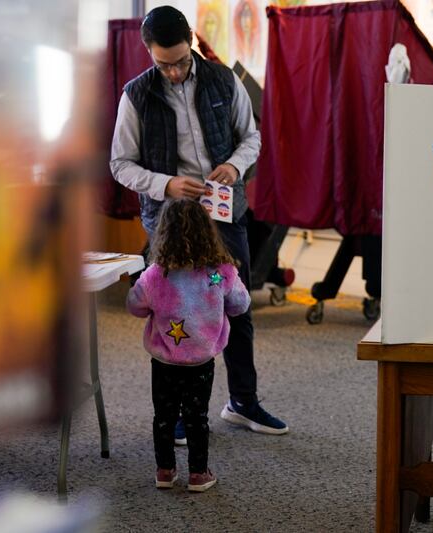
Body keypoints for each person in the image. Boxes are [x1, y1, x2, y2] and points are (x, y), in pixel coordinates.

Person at [110, 6, 287, 436]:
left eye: (181, 61)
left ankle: (243, 401)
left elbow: (252, 137)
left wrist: (233, 165)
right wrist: (165, 184)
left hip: (225, 214)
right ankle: (178, 417)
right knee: (174, 313)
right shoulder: (136, 95)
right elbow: (120, 164)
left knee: (236, 307)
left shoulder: (223, 80)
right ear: (148, 53)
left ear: (192, 42)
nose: (173, 73)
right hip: (170, 222)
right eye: (162, 64)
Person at [127, 200, 251, 491]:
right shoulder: (221, 272)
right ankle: (198, 473)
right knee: (198, 417)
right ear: (207, 232)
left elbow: (135, 306)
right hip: (200, 361)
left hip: (164, 362)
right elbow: (241, 304)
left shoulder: (157, 274)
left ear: (163, 234)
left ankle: (164, 471)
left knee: (164, 416)